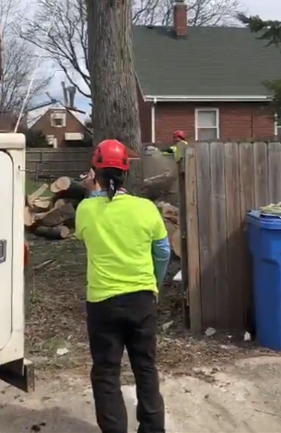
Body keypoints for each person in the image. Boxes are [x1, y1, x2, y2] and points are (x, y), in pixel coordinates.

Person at [76, 139, 171, 433]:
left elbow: (85, 235)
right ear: (126, 173)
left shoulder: (85, 210)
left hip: (103, 303)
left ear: (95, 172)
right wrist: (153, 282)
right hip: (142, 300)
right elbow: (164, 251)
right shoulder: (146, 209)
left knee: (106, 372)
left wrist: (92, 193)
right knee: (145, 368)